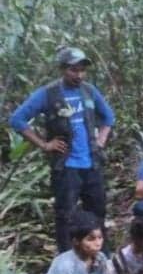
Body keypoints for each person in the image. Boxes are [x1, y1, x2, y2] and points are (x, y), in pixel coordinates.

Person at [8, 47, 116, 252]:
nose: (79, 75)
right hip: (66, 167)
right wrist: (44, 144)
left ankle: (101, 256)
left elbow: (109, 117)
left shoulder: (89, 91)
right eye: (73, 70)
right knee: (65, 215)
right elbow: (17, 120)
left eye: (82, 70)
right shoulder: (48, 94)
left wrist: (101, 140)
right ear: (62, 69)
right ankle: (67, 258)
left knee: (97, 212)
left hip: (92, 164)